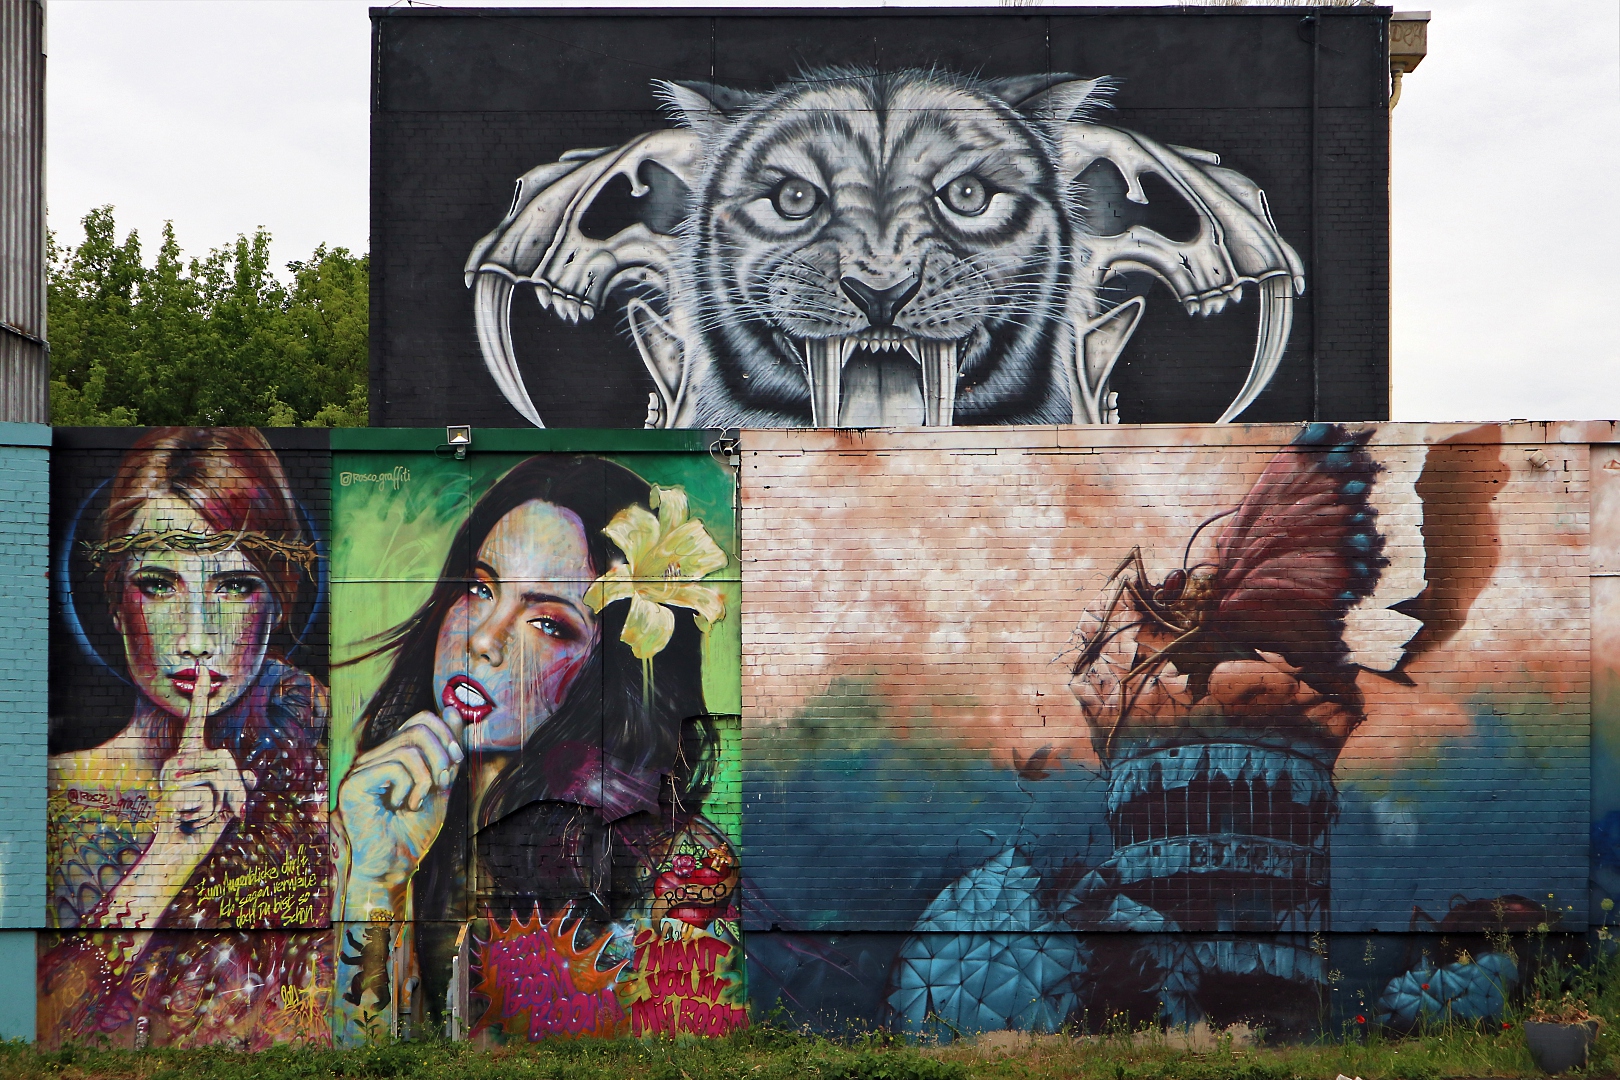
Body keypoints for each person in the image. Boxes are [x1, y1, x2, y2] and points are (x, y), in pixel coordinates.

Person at [332, 455, 739, 1042]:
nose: (484, 639)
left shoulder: (677, 869)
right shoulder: (366, 816)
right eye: (480, 588)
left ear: (608, 674)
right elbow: (361, 1053)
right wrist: (377, 881)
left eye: (547, 623)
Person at [40, 427, 330, 1048]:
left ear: (276, 603)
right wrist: (170, 850)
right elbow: (44, 1025)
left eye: (233, 587)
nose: (197, 637)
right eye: (159, 585)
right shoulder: (62, 789)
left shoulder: (316, 767)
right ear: (117, 602)